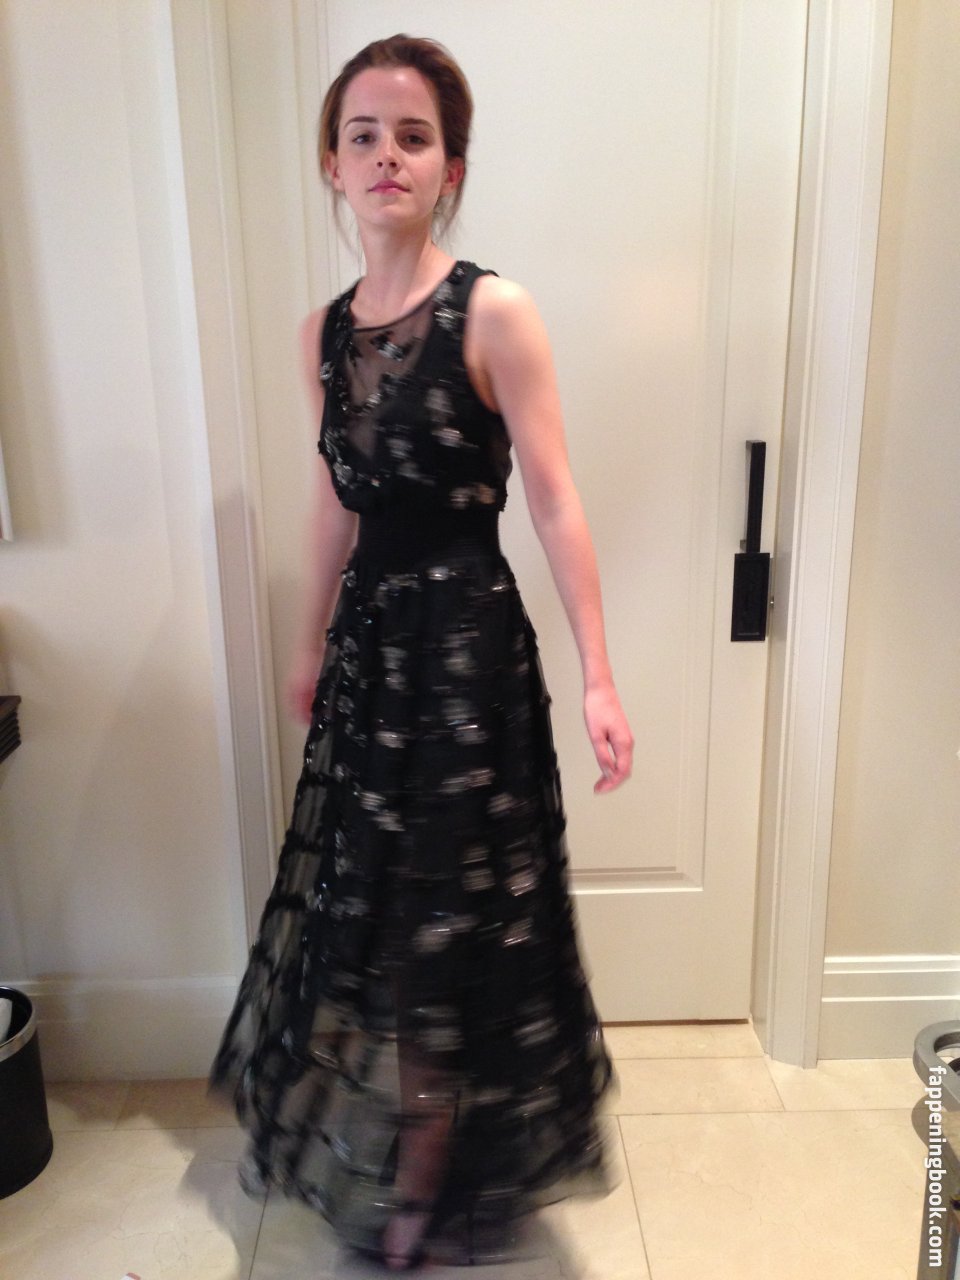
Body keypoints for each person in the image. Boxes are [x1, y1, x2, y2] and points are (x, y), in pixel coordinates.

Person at [208, 33, 633, 1271]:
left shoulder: (495, 311)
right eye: (363, 134)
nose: (386, 155)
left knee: (451, 917)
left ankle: (434, 1160)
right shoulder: (318, 335)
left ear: (451, 167)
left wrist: (600, 673)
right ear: (331, 164)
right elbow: (333, 502)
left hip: (465, 658)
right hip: (370, 657)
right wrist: (307, 644)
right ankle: (414, 1135)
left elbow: (554, 497)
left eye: (414, 135)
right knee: (378, 915)